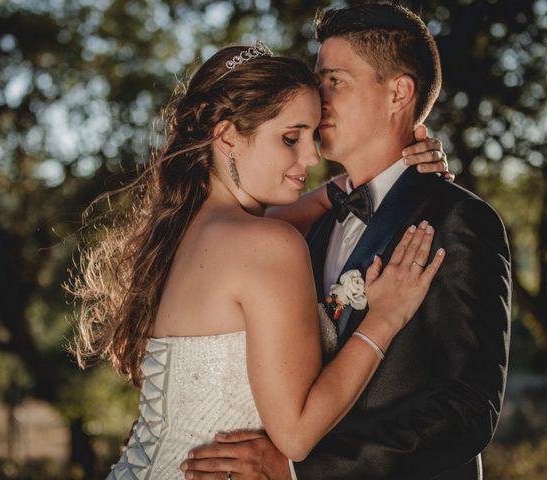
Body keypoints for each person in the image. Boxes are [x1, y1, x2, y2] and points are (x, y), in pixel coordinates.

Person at [69, 43, 448, 480]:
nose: (311, 157)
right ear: (228, 136)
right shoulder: (267, 243)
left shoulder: (185, 231)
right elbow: (297, 435)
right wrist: (384, 318)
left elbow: (321, 201)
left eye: (312, 136)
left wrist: (387, 173)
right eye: (291, 138)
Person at [182, 4, 511, 480]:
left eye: (335, 80)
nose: (318, 98)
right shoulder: (303, 229)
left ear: (399, 92)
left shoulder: (458, 220)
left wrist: (300, 470)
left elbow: (466, 412)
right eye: (318, 81)